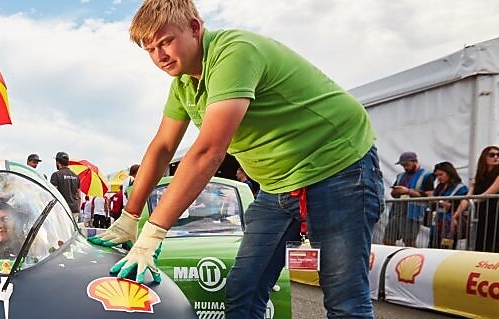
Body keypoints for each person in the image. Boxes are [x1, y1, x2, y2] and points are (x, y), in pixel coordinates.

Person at [93, 1, 382, 317]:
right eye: (150, 49)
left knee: (345, 301)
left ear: (194, 27)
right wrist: (130, 217)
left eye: (165, 42)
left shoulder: (234, 52)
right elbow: (162, 147)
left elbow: (208, 152)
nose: (159, 56)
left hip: (338, 167)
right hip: (278, 185)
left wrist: (153, 234)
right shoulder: (183, 85)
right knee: (243, 291)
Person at [457, 146, 499, 253]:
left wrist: (472, 202)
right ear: (484, 157)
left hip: (492, 214)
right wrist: (457, 213)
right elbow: (468, 196)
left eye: (498, 155)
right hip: (477, 214)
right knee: (474, 244)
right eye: (492, 155)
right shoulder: (480, 175)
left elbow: (486, 194)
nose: (496, 157)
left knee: (490, 246)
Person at [382, 151, 434, 247]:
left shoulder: (427, 175)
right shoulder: (400, 176)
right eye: (403, 165)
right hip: (397, 211)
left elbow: (430, 196)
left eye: (407, 164)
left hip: (413, 213)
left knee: (409, 242)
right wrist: (396, 192)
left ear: (415, 161)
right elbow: (394, 193)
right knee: (388, 239)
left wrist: (408, 191)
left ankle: (412, 260)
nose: (405, 167)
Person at [426, 162, 468, 249]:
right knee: (433, 247)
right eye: (437, 175)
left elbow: (460, 205)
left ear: (449, 173)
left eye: (441, 174)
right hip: (437, 224)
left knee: (447, 248)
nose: (439, 178)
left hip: (450, 224)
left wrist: (440, 202)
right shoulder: (439, 187)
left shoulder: (460, 188)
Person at [49, 152, 83, 221]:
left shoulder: (56, 175)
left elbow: (53, 195)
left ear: (57, 162)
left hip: (62, 210)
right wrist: (78, 209)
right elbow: (79, 196)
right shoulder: (76, 176)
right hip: (74, 210)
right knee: (72, 231)